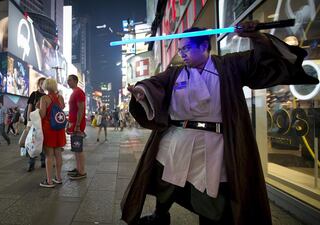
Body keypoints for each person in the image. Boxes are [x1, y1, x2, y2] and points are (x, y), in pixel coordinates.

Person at [121, 21, 319, 225]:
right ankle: (160, 216)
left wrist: (257, 37)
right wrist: (141, 91)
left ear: (204, 46)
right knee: (165, 181)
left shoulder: (228, 66)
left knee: (210, 192)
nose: (182, 54)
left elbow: (263, 62)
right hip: (177, 140)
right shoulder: (175, 73)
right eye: (180, 50)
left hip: (213, 144)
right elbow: (154, 84)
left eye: (187, 48)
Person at [38, 78, 66, 188]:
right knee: (58, 153)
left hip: (48, 128)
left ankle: (49, 181)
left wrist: (38, 108)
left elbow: (42, 115)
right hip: (59, 128)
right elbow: (62, 108)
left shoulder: (44, 98)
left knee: (49, 155)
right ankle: (58, 178)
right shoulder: (61, 97)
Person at [66, 74, 87, 180]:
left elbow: (81, 109)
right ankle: (78, 168)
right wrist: (69, 124)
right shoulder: (74, 92)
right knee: (76, 148)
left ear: (75, 80)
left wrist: (78, 125)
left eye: (69, 80)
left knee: (78, 148)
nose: (67, 82)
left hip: (77, 125)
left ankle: (82, 171)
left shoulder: (78, 92)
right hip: (73, 124)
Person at [26, 77, 47, 172]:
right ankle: (31, 163)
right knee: (33, 141)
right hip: (34, 122)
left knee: (43, 141)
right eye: (41, 83)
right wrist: (28, 122)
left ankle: (43, 162)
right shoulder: (34, 94)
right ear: (39, 84)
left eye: (45, 83)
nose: (43, 85)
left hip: (43, 122)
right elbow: (29, 108)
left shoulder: (46, 96)